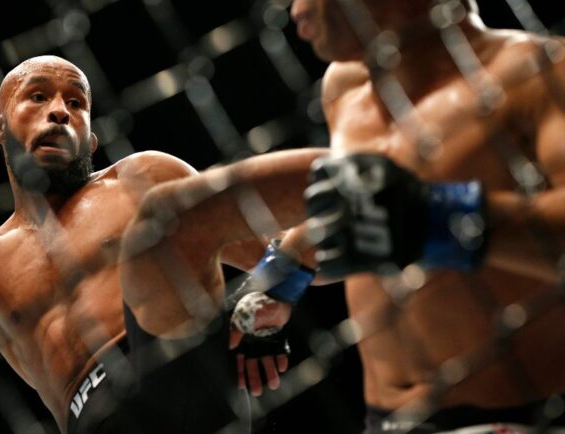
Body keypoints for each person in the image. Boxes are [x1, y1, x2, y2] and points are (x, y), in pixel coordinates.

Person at [0, 27, 318, 434]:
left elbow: (274, 252)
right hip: (92, 416)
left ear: (89, 139)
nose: (59, 113)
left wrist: (270, 292)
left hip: (181, 359)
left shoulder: (138, 178)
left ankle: (350, 175)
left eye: (76, 103)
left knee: (167, 211)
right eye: (36, 97)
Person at [229, 0, 565, 432]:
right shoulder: (346, 90)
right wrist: (284, 272)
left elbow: (401, 215)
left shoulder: (539, 70)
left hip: (518, 414)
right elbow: (369, 213)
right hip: (386, 420)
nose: (295, 9)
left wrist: (435, 217)